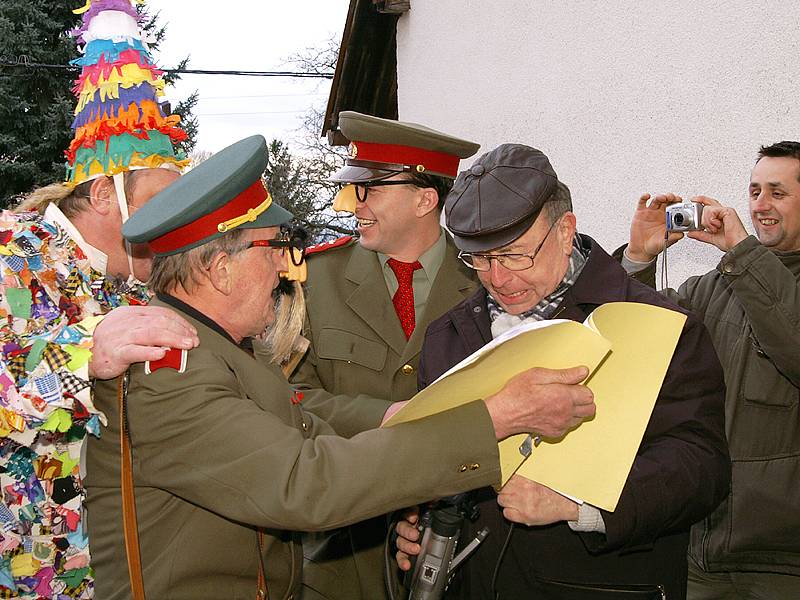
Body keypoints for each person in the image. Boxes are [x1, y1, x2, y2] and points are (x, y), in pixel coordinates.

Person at [85, 134, 597, 600]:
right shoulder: (168, 369)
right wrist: (497, 417)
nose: (287, 268)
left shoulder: (230, 350)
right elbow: (306, 481)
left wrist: (407, 416)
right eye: (273, 250)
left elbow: (312, 431)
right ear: (221, 270)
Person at [395, 144, 731, 599]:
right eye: (478, 259)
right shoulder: (448, 334)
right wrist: (411, 522)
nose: (497, 278)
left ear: (565, 231)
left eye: (514, 255)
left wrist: (579, 505)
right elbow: (431, 460)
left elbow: (701, 467)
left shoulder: (655, 324)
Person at [0, 3, 196, 596]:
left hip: (117, 558)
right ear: (106, 194)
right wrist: (87, 358)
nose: (174, 224)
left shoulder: (137, 281)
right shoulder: (12, 249)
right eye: (160, 203)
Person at [290, 111, 482, 599]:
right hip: (342, 545)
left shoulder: (485, 281)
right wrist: (387, 417)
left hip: (456, 542)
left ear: (424, 198)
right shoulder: (317, 281)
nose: (357, 205)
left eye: (370, 189)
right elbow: (289, 396)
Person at [619, 140, 800, 599]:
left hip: (784, 562)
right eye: (754, 191)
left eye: (777, 193)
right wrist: (639, 259)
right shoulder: (712, 288)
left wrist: (741, 250)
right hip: (701, 550)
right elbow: (636, 344)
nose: (760, 205)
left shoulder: (744, 267)